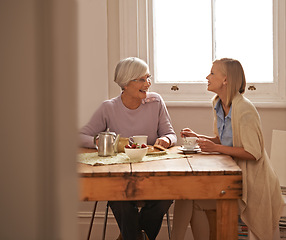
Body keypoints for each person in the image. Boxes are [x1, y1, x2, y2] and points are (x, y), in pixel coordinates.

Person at [171, 58, 284, 240]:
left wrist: (216, 148)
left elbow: (253, 153)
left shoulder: (245, 109)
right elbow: (223, 140)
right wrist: (198, 137)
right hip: (233, 177)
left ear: (226, 80)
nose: (207, 77)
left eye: (212, 73)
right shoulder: (218, 103)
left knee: (191, 199)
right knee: (186, 196)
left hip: (252, 184)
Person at [79, 57, 177, 240]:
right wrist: (98, 142)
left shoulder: (156, 101)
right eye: (141, 79)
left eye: (148, 78)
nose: (147, 83)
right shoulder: (108, 107)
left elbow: (171, 134)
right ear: (125, 82)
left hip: (152, 173)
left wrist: (165, 139)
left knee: (166, 197)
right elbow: (81, 136)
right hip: (121, 176)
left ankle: (129, 237)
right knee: (120, 200)